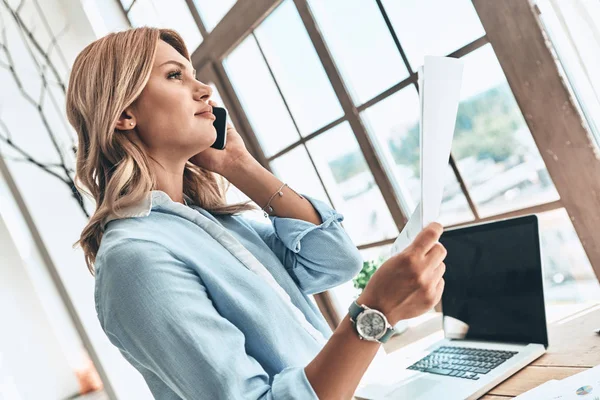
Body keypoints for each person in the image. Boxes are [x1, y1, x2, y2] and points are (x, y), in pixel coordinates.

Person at [66, 27, 446, 400]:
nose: (204, 90)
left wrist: (238, 164)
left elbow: (335, 261)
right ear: (124, 114)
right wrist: (374, 314)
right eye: (174, 76)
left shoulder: (216, 225)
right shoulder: (135, 259)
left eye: (194, 75)